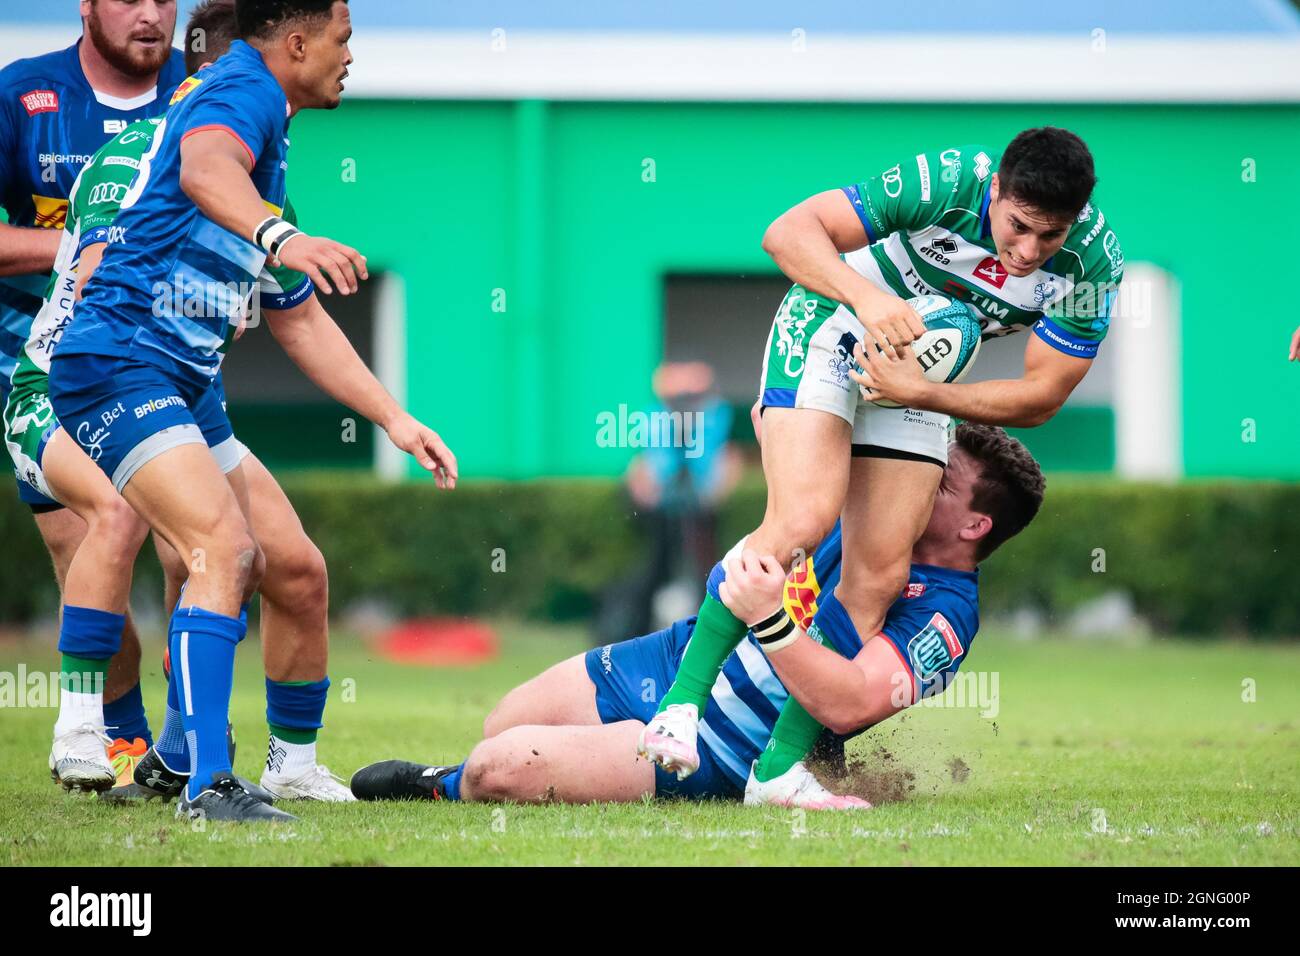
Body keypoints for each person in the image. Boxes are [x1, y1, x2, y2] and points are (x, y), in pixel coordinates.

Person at [47, 0, 456, 823]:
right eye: (344, 39)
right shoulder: (243, 89)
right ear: (296, 42)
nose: (352, 57)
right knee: (221, 550)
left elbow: (299, 321)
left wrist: (393, 419)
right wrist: (280, 236)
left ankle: (186, 759)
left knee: (291, 565)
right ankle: (207, 783)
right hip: (120, 361)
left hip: (184, 381)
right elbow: (203, 170)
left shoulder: (268, 132)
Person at [640, 129, 1122, 792]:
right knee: (803, 520)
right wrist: (868, 300)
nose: (1030, 251)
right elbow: (787, 233)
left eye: (1052, 235)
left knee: (879, 577)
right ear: (997, 191)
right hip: (833, 326)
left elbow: (1043, 394)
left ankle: (778, 772)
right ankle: (679, 707)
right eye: (1019, 227)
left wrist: (923, 392)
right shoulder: (943, 182)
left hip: (917, 371)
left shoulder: (1093, 264)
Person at [350, 423, 1044, 809]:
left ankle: (440, 787)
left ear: (975, 524)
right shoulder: (873, 498)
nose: (913, 475)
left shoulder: (946, 616)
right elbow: (782, 427)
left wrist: (770, 619)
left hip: (730, 741)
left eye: (938, 478)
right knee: (502, 722)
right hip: (681, 657)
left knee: (496, 770)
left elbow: (848, 699)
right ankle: (599, 751)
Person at [0, 0, 187, 776]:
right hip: (37, 355)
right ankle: (119, 730)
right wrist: (88, 244)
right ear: (85, 5)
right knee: (92, 540)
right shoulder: (24, 95)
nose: (149, 15)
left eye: (164, 0)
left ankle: (187, 743)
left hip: (167, 356)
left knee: (196, 548)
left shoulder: (201, 90)